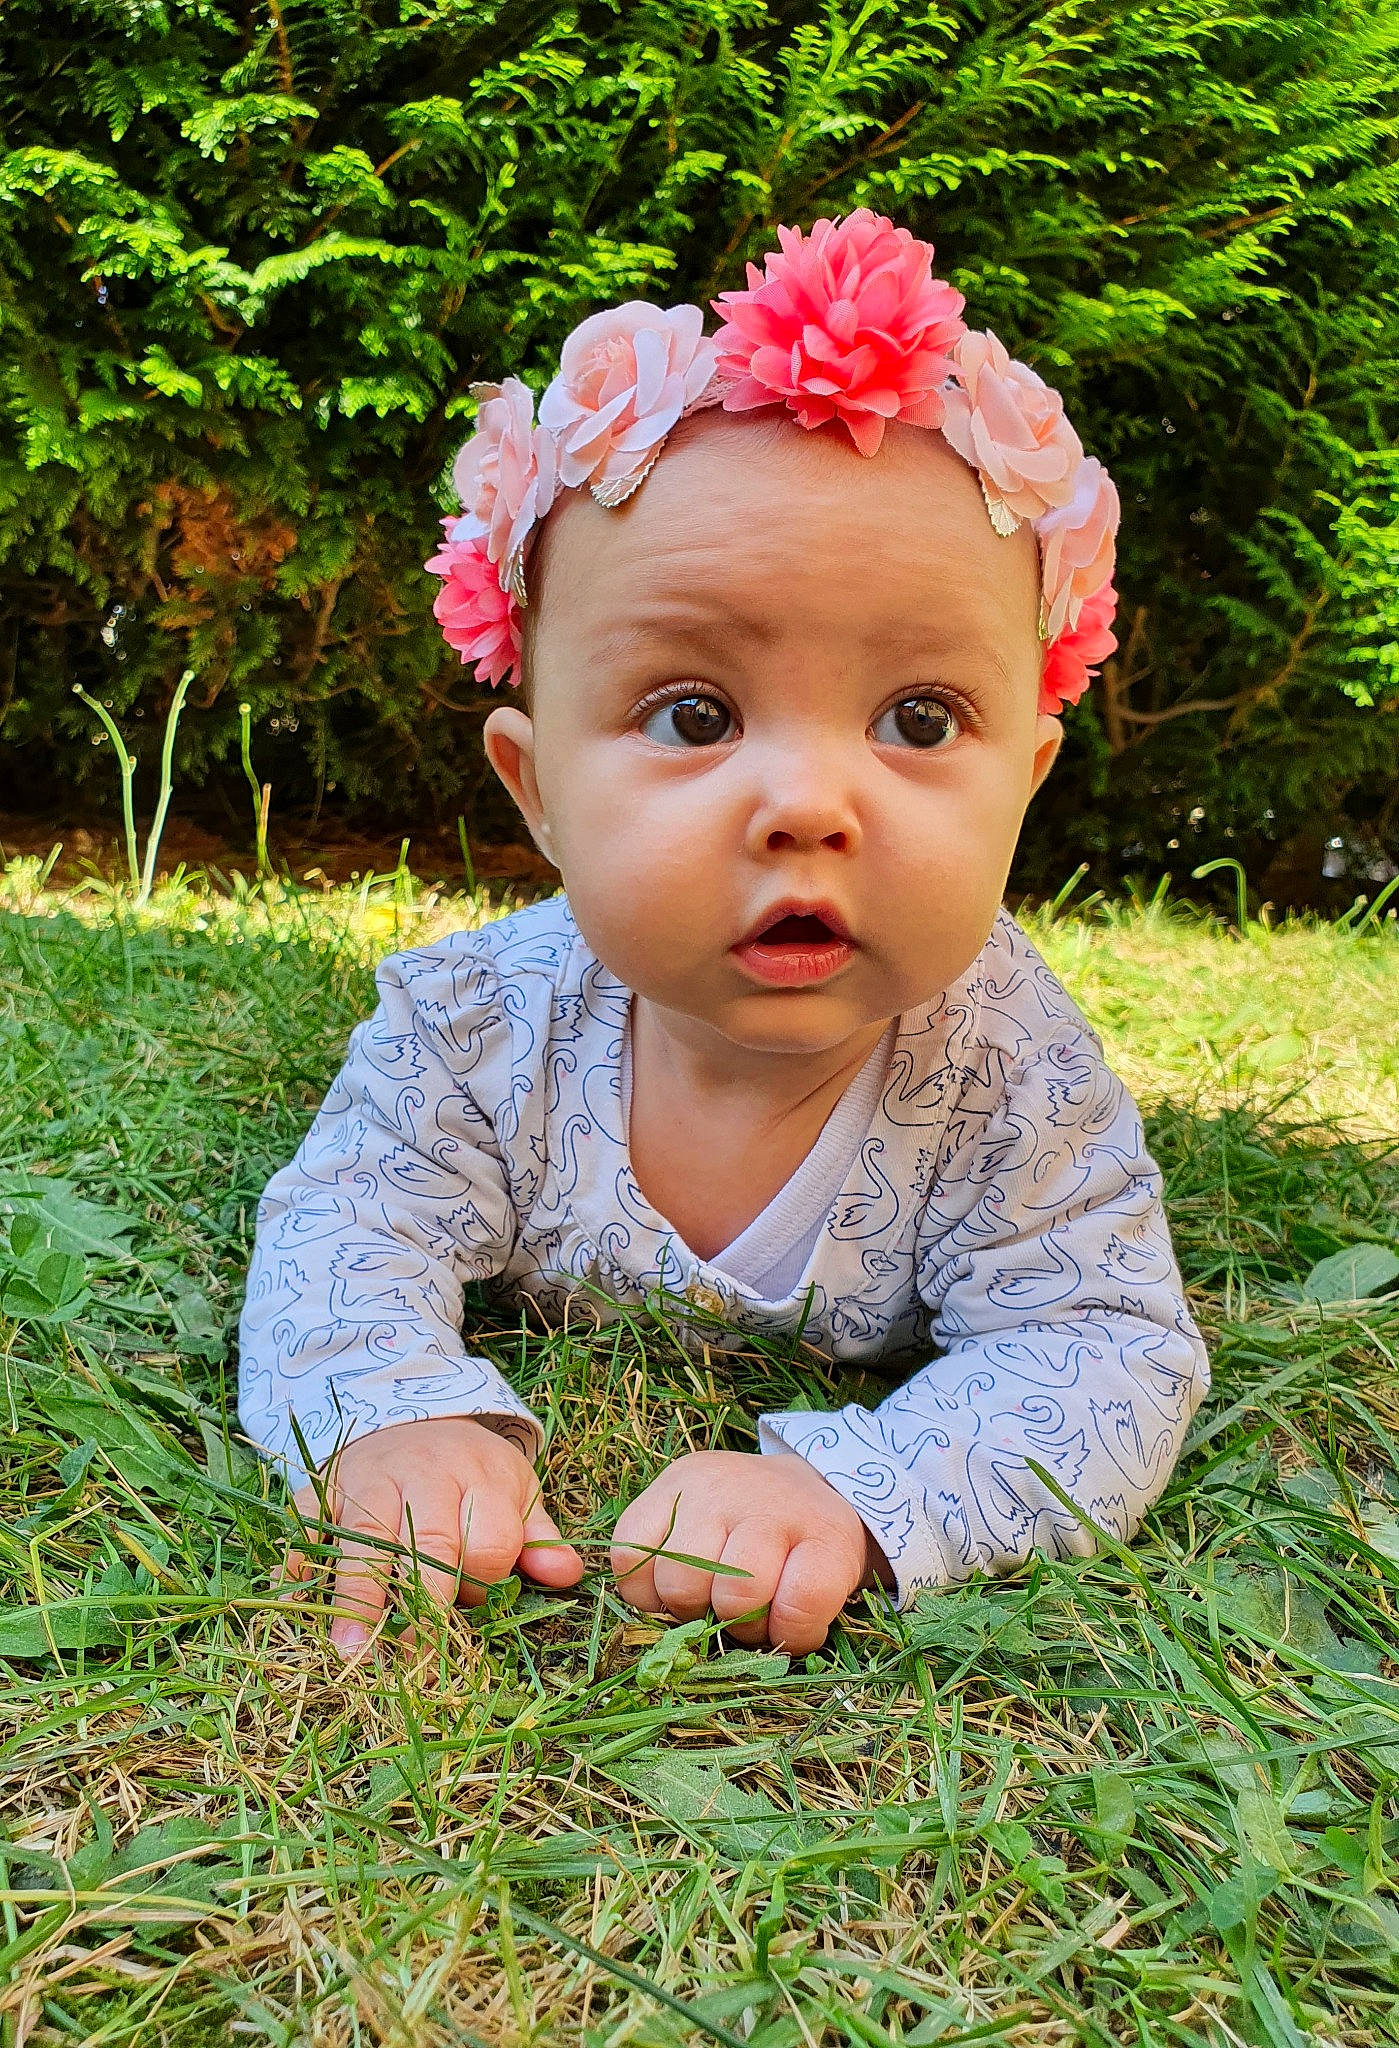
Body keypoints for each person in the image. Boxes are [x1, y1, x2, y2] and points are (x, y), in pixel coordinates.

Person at [241, 210, 1209, 1659]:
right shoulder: (470, 1029)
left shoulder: (1015, 1078)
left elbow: (1104, 1347)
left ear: (1027, 779)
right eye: (695, 716)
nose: (810, 804)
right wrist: (396, 1413)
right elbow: (348, 1224)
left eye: (921, 720)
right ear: (540, 789)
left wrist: (860, 1493)